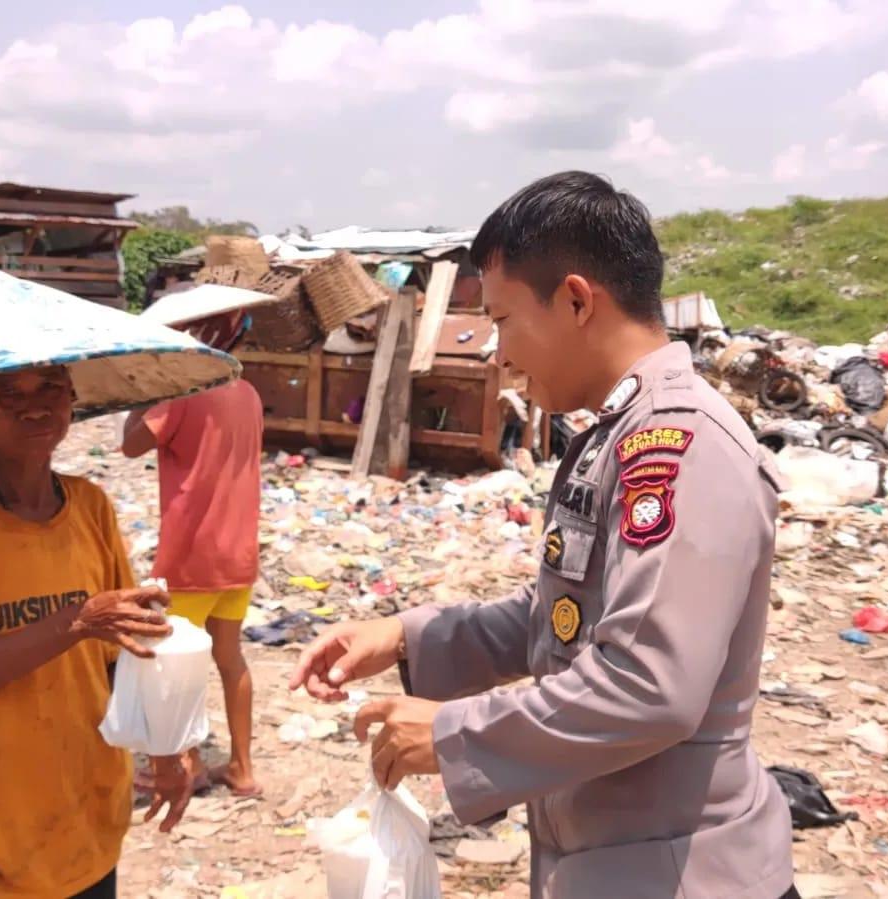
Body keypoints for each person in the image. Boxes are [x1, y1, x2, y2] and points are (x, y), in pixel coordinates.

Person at [291, 171, 798, 898]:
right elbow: (565, 617)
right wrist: (405, 635)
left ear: (574, 300)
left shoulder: (679, 446)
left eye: (500, 320)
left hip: (682, 873)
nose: (498, 351)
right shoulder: (617, 434)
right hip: (610, 859)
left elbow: (647, 685)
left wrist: (452, 733)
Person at [0, 365, 194, 899]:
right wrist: (77, 622)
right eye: (7, 393)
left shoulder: (90, 505)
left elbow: (126, 650)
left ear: (72, 399)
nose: (34, 407)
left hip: (83, 810)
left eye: (50, 389)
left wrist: (168, 749)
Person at [123, 306, 265, 796]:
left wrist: (143, 388)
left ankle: (187, 765)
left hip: (191, 554)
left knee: (172, 663)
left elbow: (130, 444)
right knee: (230, 657)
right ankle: (242, 768)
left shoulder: (182, 394)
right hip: (238, 552)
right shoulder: (248, 394)